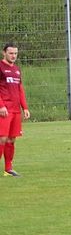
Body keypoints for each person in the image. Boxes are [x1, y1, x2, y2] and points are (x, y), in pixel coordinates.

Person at [0, 43, 30, 177]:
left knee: (11, 139)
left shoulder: (17, 69)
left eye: (15, 53)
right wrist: (1, 105)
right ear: (4, 53)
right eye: (11, 53)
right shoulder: (0, 67)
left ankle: (8, 168)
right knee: (2, 138)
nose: (13, 56)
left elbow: (20, 89)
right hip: (4, 109)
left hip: (15, 110)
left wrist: (25, 107)